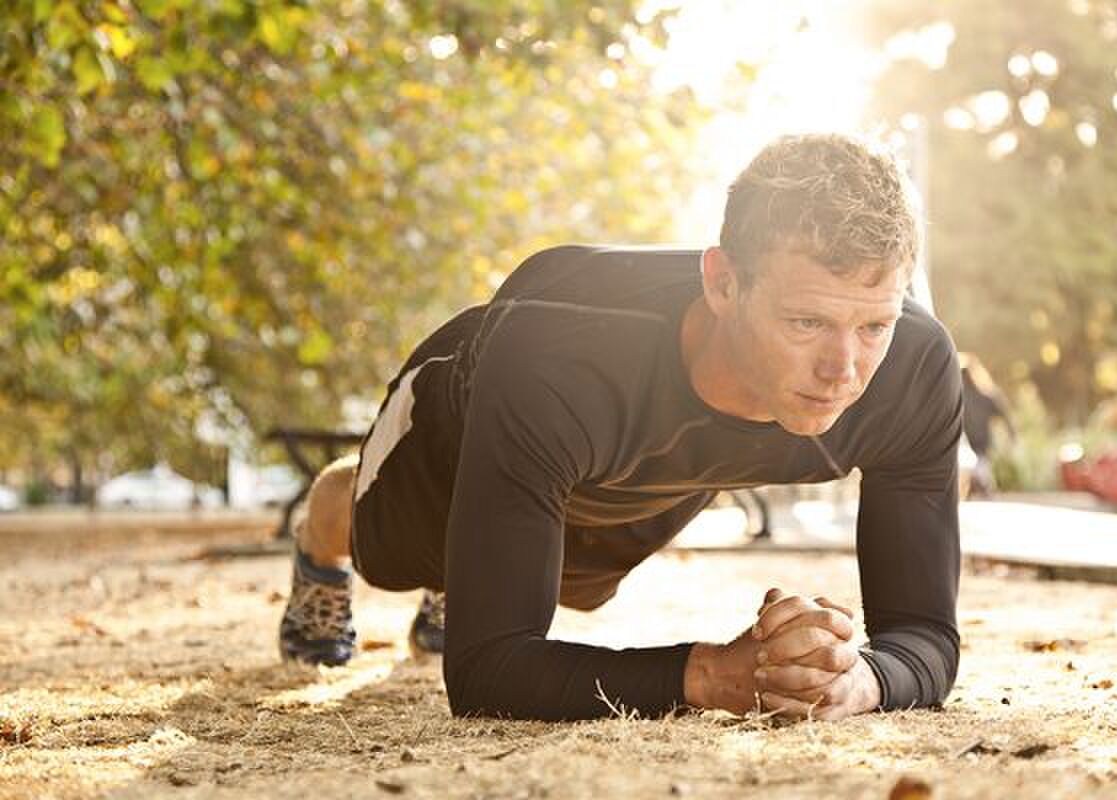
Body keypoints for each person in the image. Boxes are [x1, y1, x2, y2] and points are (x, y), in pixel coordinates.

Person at [276, 133, 963, 723]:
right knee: (388, 554)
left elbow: (926, 637)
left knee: (578, 588)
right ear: (723, 285)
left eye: (873, 325)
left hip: (635, 472)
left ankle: (476, 572)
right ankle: (330, 530)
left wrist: (860, 680)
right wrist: (715, 675)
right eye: (806, 323)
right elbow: (485, 675)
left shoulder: (912, 371)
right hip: (469, 419)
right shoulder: (556, 361)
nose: (843, 370)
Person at [959, 352, 1015, 497]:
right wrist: (1011, 433)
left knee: (978, 466)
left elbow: (1003, 413)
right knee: (979, 466)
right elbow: (1004, 414)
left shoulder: (962, 396)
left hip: (971, 442)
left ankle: (981, 485)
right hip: (976, 442)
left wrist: (1011, 433)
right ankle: (981, 485)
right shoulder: (985, 394)